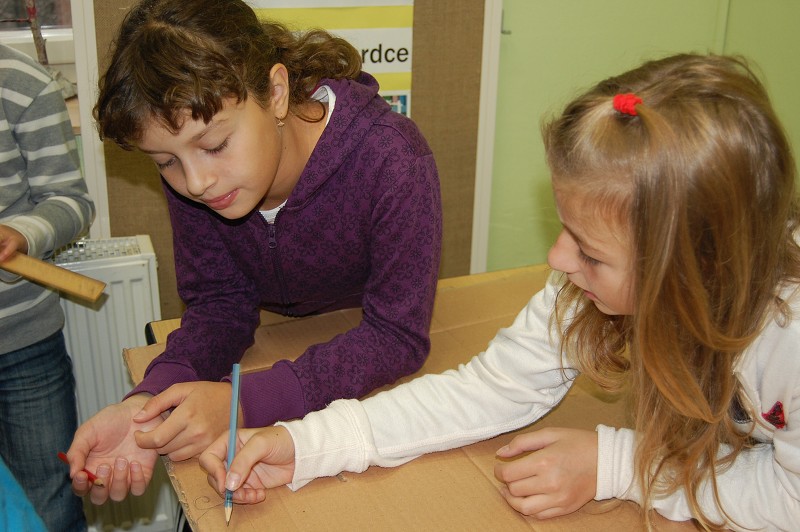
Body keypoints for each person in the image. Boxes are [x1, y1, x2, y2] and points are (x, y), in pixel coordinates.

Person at [199, 53, 800, 531]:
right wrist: (304, 444)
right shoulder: (589, 280)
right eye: (565, 230)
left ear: (695, 271)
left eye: (590, 252)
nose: (557, 259)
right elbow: (489, 390)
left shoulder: (789, 336)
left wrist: (617, 465)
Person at [65, 0, 441, 505]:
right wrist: (151, 404)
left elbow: (396, 335)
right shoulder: (199, 177)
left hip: (364, 377)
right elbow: (220, 303)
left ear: (277, 93)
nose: (196, 182)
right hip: (287, 351)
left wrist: (243, 403)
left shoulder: (393, 160)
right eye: (166, 162)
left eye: (215, 145)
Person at [0, 43, 94, 530]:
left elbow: (72, 202)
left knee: (51, 506)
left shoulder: (22, 83)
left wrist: (21, 234)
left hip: (24, 345)